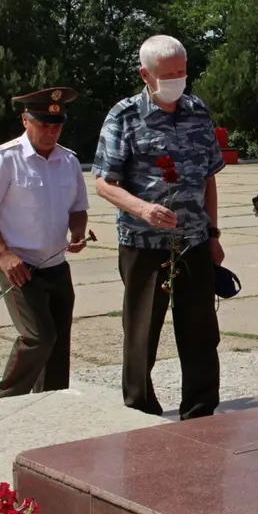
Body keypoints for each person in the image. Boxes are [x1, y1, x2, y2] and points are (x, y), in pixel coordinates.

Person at [92, 35, 225, 420]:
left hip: (194, 242)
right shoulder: (124, 116)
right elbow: (103, 182)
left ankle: (200, 411)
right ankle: (140, 410)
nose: (177, 80)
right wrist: (143, 209)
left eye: (182, 72)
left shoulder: (198, 111)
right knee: (142, 332)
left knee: (200, 330)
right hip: (144, 243)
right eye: (167, 75)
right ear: (144, 74)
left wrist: (214, 235)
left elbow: (209, 178)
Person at [0, 87, 89, 398]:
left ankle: (50, 404)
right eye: (44, 125)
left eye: (57, 126)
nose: (51, 132)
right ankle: (6, 399)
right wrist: (4, 255)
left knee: (58, 341)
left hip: (56, 265)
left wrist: (78, 232)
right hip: (19, 266)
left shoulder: (69, 161)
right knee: (38, 337)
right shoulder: (7, 159)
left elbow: (78, 208)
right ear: (26, 121)